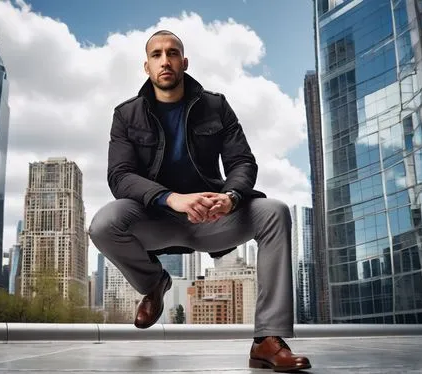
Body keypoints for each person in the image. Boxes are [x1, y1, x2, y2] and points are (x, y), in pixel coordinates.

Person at [89, 30, 311, 372]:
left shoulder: (216, 105)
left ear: (184, 61)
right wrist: (170, 198)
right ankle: (154, 283)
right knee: (103, 224)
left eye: (173, 53)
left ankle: (267, 340)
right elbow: (120, 176)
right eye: (157, 55)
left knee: (275, 212)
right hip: (155, 218)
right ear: (146, 66)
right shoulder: (126, 115)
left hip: (212, 219)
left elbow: (242, 163)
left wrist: (231, 198)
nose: (166, 60)